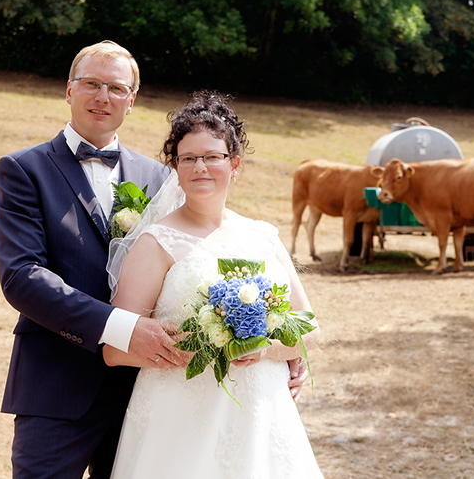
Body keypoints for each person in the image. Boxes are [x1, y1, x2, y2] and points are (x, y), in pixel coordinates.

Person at [0, 41, 307, 479]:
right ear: (69, 90)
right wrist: (124, 328)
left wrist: (276, 343)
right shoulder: (24, 170)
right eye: (91, 84)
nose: (103, 97)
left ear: (131, 100)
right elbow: (22, 277)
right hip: (58, 386)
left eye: (117, 88)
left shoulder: (160, 176)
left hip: (149, 392)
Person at [103, 90, 324, 478]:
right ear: (175, 166)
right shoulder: (156, 242)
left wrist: (266, 350)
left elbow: (310, 329)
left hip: (262, 414)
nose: (199, 167)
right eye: (188, 158)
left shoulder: (264, 236)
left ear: (234, 164)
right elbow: (114, 350)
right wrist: (190, 350)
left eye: (212, 157)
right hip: (179, 419)